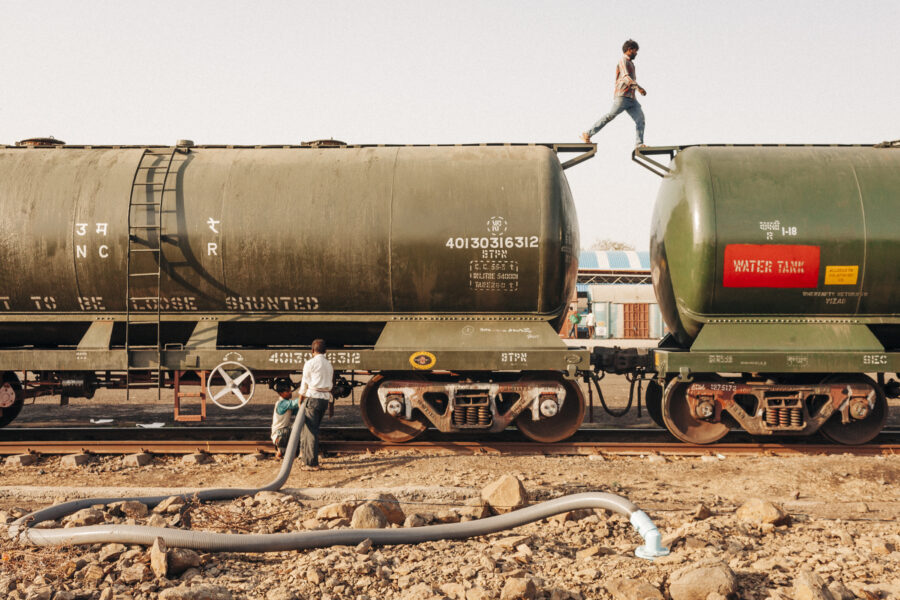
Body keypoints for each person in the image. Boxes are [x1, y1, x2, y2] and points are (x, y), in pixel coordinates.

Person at [581, 39, 647, 148]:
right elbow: (626, 77)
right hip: (622, 96)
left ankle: (639, 144)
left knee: (640, 119)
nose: (636, 53)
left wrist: (637, 89)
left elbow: (630, 79)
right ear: (629, 49)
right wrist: (638, 88)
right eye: (635, 51)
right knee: (610, 116)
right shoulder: (623, 61)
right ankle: (587, 134)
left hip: (631, 98)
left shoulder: (631, 63)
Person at [297, 338, 333, 470]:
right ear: (326, 351)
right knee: (313, 429)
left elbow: (304, 382)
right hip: (324, 399)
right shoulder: (329, 364)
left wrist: (300, 398)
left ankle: (311, 463)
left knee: (310, 431)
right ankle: (306, 458)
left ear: (312, 351)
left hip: (313, 398)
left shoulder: (310, 363)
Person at [270, 378, 298, 459]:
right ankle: (281, 451)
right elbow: (294, 403)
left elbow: (296, 410)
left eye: (290, 390)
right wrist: (306, 396)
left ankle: (282, 451)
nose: (290, 393)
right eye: (287, 391)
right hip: (280, 434)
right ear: (280, 393)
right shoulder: (282, 403)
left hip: (281, 433)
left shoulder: (286, 403)